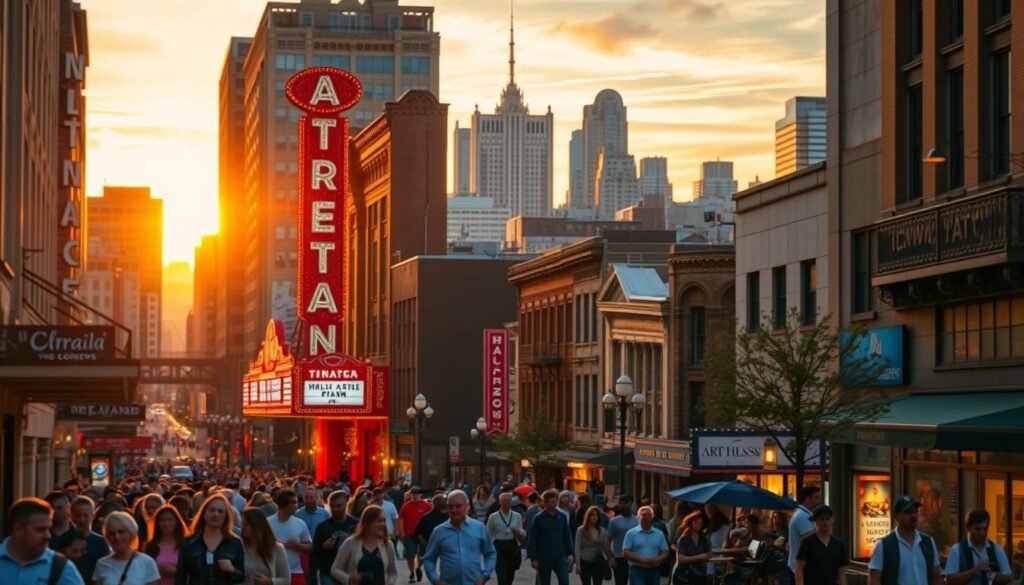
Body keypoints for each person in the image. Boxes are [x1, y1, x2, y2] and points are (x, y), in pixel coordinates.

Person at [0, 497, 85, 584]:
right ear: (18, 529)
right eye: (40, 529)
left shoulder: (61, 568)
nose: (47, 536)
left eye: (49, 529)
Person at [421, 491, 496, 585]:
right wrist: (435, 579)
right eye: (450, 506)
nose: (454, 510)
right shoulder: (439, 531)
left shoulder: (479, 528)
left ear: (467, 506)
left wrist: (485, 576)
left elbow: (490, 554)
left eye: (458, 506)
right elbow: (429, 558)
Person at [867, 495, 942, 585]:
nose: (913, 515)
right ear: (896, 516)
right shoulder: (884, 546)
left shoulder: (928, 542)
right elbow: (874, 580)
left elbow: (937, 577)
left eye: (915, 511)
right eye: (907, 512)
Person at [176, 493, 246, 584]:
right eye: (212, 510)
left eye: (220, 511)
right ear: (204, 512)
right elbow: (180, 576)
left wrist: (232, 570)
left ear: (226, 516)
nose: (216, 514)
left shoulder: (235, 542)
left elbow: (241, 577)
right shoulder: (189, 542)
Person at [330, 505, 399, 585]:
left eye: (384, 521)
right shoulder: (351, 543)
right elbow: (335, 569)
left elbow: (393, 572)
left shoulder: (387, 545)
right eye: (379, 521)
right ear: (367, 523)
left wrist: (390, 582)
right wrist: (349, 579)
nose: (383, 524)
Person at [943, 509, 1012, 585]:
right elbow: (950, 579)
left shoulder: (997, 549)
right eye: (977, 529)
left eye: (985, 529)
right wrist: (974, 570)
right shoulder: (957, 550)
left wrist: (994, 575)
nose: (982, 533)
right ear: (969, 528)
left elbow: (1007, 577)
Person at [94, 511, 161, 585]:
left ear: (131, 533)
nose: (117, 537)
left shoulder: (147, 562)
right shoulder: (102, 564)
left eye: (121, 532)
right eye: (112, 534)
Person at [528, 489, 574, 585]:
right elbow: (533, 539)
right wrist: (534, 558)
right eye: (548, 502)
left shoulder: (562, 517)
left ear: (557, 502)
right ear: (544, 503)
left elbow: (567, 535)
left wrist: (570, 553)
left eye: (553, 502)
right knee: (544, 582)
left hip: (560, 556)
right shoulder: (538, 518)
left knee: (564, 580)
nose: (551, 504)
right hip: (544, 557)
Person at [267, 489, 313, 585]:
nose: (297, 505)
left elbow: (310, 548)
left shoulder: (300, 523)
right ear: (285, 504)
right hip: (273, 573)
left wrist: (297, 545)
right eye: (294, 502)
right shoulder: (267, 522)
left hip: (296, 572)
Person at [314, 490, 360, 585]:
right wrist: (323, 547)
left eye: (339, 506)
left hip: (350, 573)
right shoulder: (322, 526)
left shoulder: (357, 524)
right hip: (328, 573)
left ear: (346, 504)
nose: (335, 509)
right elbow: (314, 549)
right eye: (332, 506)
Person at [795, 505, 848, 585]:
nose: (825, 522)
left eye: (828, 519)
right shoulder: (807, 542)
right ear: (816, 521)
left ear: (832, 520)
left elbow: (841, 571)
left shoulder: (838, 544)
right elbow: (799, 568)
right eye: (821, 519)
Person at [242, 508, 290, 585]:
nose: (243, 528)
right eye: (242, 524)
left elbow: (286, 580)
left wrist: (269, 581)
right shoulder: (241, 547)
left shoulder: (277, 549)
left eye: (246, 524)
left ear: (256, 525)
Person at [622, 506, 669, 585]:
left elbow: (665, 551)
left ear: (652, 517)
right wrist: (641, 560)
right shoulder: (631, 533)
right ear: (638, 517)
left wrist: (657, 559)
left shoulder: (659, 534)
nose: (644, 517)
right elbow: (626, 552)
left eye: (647, 515)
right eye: (642, 515)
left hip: (654, 569)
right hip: (637, 569)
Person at [70, 495, 112, 583]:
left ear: (93, 516)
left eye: (85, 515)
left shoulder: (100, 542)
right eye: (78, 516)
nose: (82, 519)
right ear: (71, 516)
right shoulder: (65, 541)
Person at [486, 492, 525, 585]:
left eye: (508, 501)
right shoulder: (493, 517)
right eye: (504, 501)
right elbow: (488, 534)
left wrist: (517, 532)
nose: (506, 503)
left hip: (512, 546)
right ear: (500, 502)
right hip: (499, 547)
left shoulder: (517, 515)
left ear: (511, 502)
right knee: (502, 576)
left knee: (510, 576)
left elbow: (522, 532)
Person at [144, 505, 189, 585]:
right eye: (162, 520)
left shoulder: (186, 544)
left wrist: (176, 571)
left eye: (170, 520)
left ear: (176, 522)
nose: (166, 523)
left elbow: (194, 571)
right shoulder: (151, 546)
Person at [294, 488, 328, 585]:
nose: (309, 500)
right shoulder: (298, 514)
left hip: (319, 550)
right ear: (303, 499)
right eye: (306, 498)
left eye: (311, 497)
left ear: (316, 498)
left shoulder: (324, 513)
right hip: (303, 551)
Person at [397, 487, 431, 583]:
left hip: (422, 535)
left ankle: (419, 568)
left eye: (417, 494)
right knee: (410, 554)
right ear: (410, 495)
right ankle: (412, 572)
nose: (415, 496)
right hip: (409, 534)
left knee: (422, 555)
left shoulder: (426, 506)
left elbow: (430, 518)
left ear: (420, 495)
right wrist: (402, 532)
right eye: (413, 494)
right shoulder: (406, 506)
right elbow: (401, 519)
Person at [575, 505, 614, 585]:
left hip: (597, 562)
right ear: (588, 516)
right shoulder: (581, 530)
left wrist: (610, 559)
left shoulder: (602, 530)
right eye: (592, 515)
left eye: (596, 515)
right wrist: (578, 564)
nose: (594, 517)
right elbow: (577, 547)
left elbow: (606, 547)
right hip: (584, 562)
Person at [787, 486, 821, 578]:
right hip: (800, 568)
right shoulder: (802, 516)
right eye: (816, 497)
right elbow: (810, 539)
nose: (819, 501)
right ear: (807, 499)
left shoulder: (806, 514)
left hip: (802, 567)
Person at [605, 495, 638, 585]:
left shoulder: (638, 520)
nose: (623, 506)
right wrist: (610, 558)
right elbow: (607, 540)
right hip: (619, 558)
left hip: (636, 558)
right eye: (621, 503)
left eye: (626, 503)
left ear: (631, 504)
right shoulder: (614, 521)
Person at [673, 511, 711, 585]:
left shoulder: (704, 538)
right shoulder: (684, 538)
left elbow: (708, 553)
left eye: (700, 523)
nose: (698, 525)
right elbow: (680, 559)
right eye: (695, 522)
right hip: (684, 575)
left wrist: (706, 556)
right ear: (691, 523)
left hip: (700, 574)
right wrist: (698, 557)